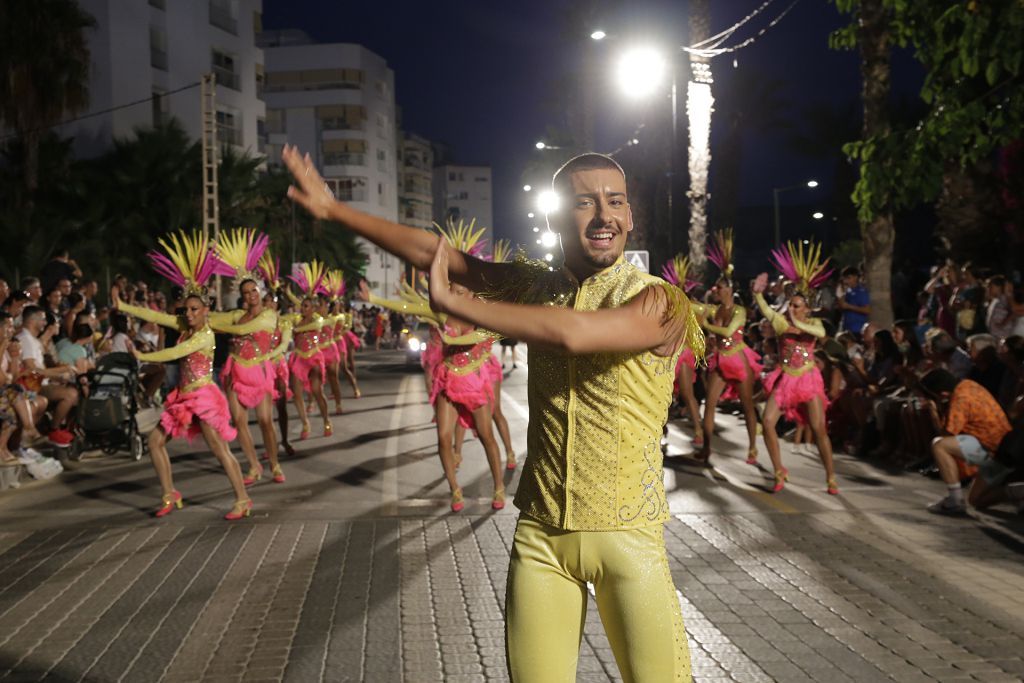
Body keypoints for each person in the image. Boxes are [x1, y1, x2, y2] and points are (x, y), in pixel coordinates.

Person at [284, 144, 703, 681]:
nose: (603, 215)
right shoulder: (538, 286)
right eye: (584, 202)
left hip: (630, 539)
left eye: (614, 201)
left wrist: (456, 303)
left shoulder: (659, 301)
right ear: (556, 217)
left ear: (629, 215)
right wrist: (336, 211)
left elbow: (573, 335)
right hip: (542, 539)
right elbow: (441, 255)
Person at [116, 231, 251, 520]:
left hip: (203, 396)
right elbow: (156, 317)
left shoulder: (203, 334)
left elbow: (174, 354)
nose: (188, 314)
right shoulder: (185, 324)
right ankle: (169, 494)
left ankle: (242, 499)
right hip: (184, 395)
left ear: (206, 311)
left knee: (218, 448)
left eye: (194, 310)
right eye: (185, 310)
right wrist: (124, 307)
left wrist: (143, 357)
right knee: (154, 442)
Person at [755, 240, 839, 495]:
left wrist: (796, 320)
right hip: (786, 379)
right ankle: (779, 470)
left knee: (818, 428)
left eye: (796, 305)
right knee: (768, 421)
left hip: (808, 378)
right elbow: (767, 311)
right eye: (790, 305)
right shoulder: (781, 323)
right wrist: (757, 293)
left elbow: (820, 332)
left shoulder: (814, 323)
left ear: (807, 308)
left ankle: (831, 475)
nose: (791, 308)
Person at [210, 228, 285, 486]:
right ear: (241, 296)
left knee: (265, 420)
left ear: (261, 292)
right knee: (239, 421)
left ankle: (274, 462)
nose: (250, 295)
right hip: (235, 371)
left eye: (254, 291)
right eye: (246, 292)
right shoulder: (235, 315)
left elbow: (243, 331)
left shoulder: (268, 316)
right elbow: (209, 320)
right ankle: (254, 466)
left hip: (259, 372)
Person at [697, 229, 762, 465]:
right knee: (709, 403)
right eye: (715, 288)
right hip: (721, 359)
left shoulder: (739, 311)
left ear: (729, 290)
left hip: (738, 357)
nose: (716, 291)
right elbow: (696, 309)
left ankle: (753, 447)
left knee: (747, 405)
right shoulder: (716, 310)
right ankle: (706, 448)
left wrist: (707, 326)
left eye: (719, 288)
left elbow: (727, 331)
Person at [920, 368, 1013, 514]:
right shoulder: (969, 385)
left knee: (939, 445)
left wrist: (933, 411)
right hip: (1001, 452)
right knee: (976, 500)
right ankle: (1018, 491)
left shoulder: (960, 398)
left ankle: (955, 500)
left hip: (992, 454)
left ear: (942, 394)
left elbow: (947, 435)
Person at [15, 306, 77, 446]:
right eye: (42, 319)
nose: (45, 323)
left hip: (39, 383)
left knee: (73, 390)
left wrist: (59, 375)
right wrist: (61, 371)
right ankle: (53, 429)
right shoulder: (25, 339)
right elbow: (33, 370)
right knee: (70, 394)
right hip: (31, 385)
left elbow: (41, 370)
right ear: (32, 320)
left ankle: (37, 435)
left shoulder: (32, 340)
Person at [284, 260, 332, 440]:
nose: (302, 308)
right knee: (296, 394)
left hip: (313, 358)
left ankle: (327, 420)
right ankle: (305, 423)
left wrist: (296, 330)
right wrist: (288, 293)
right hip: (298, 359)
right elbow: (285, 321)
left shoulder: (317, 319)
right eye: (301, 306)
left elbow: (312, 326)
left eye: (306, 306)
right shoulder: (297, 319)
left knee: (317, 392)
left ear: (313, 308)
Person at [661, 254, 704, 451]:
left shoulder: (691, 306)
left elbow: (702, 322)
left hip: (683, 354)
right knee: (665, 394)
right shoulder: (671, 305)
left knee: (686, 394)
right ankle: (664, 429)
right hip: (670, 355)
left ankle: (698, 431)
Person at [838, 265, 870, 338]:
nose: (846, 281)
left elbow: (867, 310)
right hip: (846, 329)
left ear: (855, 277)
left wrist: (849, 306)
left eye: (848, 278)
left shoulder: (862, 292)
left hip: (857, 330)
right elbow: (842, 306)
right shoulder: (847, 291)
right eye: (844, 279)